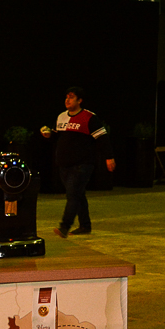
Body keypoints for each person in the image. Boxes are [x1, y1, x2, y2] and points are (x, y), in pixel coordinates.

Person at [52, 86, 115, 238]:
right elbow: (59, 138)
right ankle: (85, 225)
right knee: (78, 194)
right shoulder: (61, 117)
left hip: (82, 164)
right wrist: (49, 135)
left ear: (80, 100)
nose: (67, 100)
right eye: (66, 97)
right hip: (64, 164)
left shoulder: (89, 117)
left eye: (71, 97)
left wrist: (109, 158)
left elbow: (103, 139)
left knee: (73, 195)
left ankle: (64, 226)